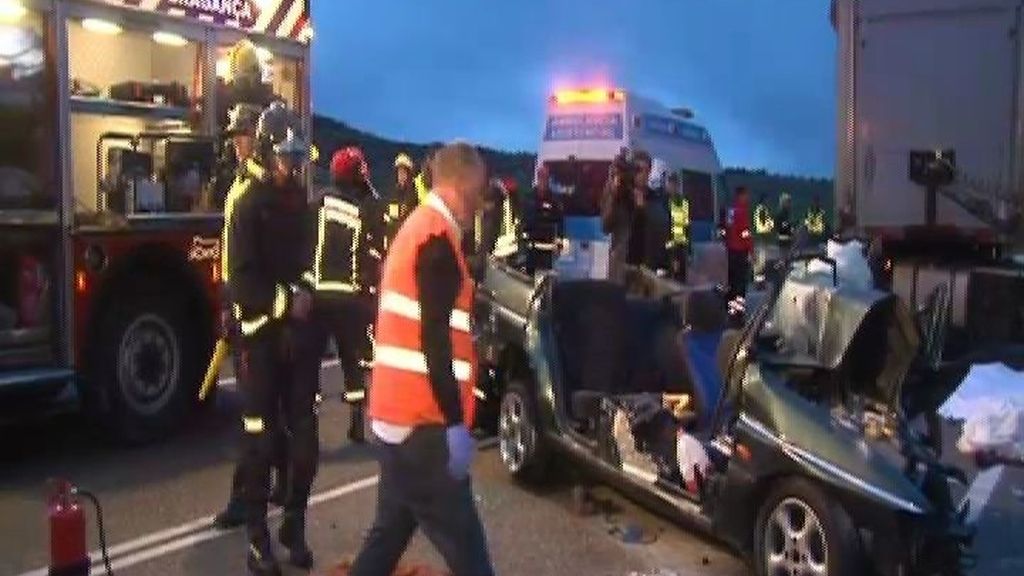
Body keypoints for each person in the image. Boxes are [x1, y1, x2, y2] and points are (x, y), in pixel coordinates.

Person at [348, 142, 494, 576]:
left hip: (396, 420)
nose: (481, 204)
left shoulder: (420, 227)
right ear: (461, 186)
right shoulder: (437, 241)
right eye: (479, 192)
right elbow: (435, 341)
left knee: (386, 538)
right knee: (470, 555)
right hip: (423, 426)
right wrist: (454, 424)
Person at [227, 101, 319, 574]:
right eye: (284, 157)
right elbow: (241, 281)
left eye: (297, 158)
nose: (291, 166)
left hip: (297, 340)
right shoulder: (248, 206)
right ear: (266, 153)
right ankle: (258, 540)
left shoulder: (301, 207)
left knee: (305, 436)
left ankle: (294, 526)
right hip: (260, 338)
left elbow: (308, 264)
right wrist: (286, 301)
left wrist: (304, 291)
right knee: (260, 441)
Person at [213, 103, 289, 531]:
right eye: (234, 137)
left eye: (241, 135)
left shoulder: (258, 194)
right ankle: (280, 478)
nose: (236, 144)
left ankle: (247, 497)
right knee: (264, 410)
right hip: (247, 311)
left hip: (259, 319)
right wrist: (227, 304)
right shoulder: (240, 187)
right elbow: (231, 260)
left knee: (255, 413)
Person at [304, 146, 388, 445]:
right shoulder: (360, 210)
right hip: (348, 298)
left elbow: (305, 245)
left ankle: (309, 420)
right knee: (351, 360)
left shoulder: (317, 202)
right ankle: (356, 424)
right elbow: (369, 255)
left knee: (310, 359)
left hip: (316, 295)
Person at [602, 149, 664, 281]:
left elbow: (658, 231)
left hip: (645, 270)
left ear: (649, 172)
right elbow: (606, 226)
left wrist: (642, 208)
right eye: (635, 170)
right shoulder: (620, 195)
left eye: (642, 170)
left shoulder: (654, 197)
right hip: (621, 269)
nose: (639, 175)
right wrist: (614, 192)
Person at [524, 172, 564, 274]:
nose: (543, 180)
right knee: (530, 278)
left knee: (545, 277)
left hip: (547, 246)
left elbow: (559, 221)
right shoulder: (529, 197)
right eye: (540, 177)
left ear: (548, 179)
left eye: (545, 178)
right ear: (537, 178)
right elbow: (524, 218)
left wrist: (560, 240)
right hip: (531, 246)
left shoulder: (554, 199)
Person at [725, 186, 754, 302]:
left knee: (732, 278)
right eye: (746, 195)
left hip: (731, 250)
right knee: (741, 281)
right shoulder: (742, 211)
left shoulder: (731, 211)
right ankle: (739, 307)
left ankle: (729, 303)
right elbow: (745, 233)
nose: (747, 198)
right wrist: (751, 250)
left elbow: (728, 229)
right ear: (740, 196)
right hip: (741, 250)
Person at [664, 172, 690, 283]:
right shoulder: (664, 201)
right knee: (668, 279)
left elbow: (687, 225)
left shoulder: (683, 202)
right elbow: (665, 226)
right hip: (668, 247)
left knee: (681, 279)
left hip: (681, 245)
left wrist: (689, 250)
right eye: (671, 184)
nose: (673, 187)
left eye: (675, 184)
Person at [388, 152, 418, 241]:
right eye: (399, 171)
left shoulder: (415, 192)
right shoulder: (395, 193)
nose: (401, 175)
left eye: (404, 171)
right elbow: (393, 217)